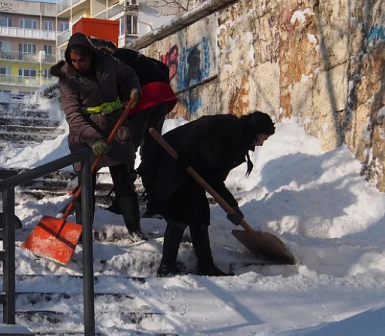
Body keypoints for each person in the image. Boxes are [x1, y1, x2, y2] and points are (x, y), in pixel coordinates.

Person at [138, 111, 276, 276]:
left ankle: (205, 266)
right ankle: (167, 267)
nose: (262, 143)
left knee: (200, 217)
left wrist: (232, 207)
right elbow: (201, 126)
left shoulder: (238, 148)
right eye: (264, 138)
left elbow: (215, 179)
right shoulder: (231, 126)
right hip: (171, 164)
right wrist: (185, 153)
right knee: (179, 216)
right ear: (256, 130)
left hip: (190, 172)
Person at [50, 33, 146, 242]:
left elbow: (130, 75)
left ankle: (134, 228)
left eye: (81, 60)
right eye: (73, 60)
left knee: (124, 182)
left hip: (115, 128)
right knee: (86, 186)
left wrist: (134, 90)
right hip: (85, 135)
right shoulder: (67, 78)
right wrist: (93, 139)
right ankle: (82, 232)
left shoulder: (109, 63)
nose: (77, 64)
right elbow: (73, 115)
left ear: (91, 56)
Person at [90, 38, 177, 218]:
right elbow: (162, 68)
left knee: (126, 147)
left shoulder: (109, 62)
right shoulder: (131, 56)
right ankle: (156, 201)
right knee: (151, 149)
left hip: (144, 99)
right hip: (162, 95)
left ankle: (125, 200)